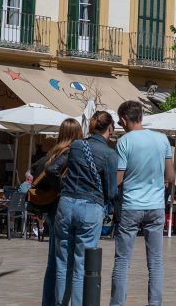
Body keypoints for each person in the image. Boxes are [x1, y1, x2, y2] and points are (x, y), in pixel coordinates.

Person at [50, 111, 117, 306]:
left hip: (66, 203)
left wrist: (64, 188)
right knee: (81, 263)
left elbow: (52, 169)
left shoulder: (77, 146)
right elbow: (112, 192)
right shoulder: (110, 154)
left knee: (62, 262)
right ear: (110, 128)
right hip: (90, 208)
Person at [110, 100, 173, 306]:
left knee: (123, 261)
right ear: (141, 117)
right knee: (155, 262)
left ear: (123, 120)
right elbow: (171, 176)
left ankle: (117, 303)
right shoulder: (162, 139)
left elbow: (118, 179)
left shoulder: (124, 142)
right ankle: (155, 303)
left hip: (131, 205)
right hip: (156, 206)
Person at [32, 118, 82, 306]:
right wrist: (63, 188)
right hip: (61, 206)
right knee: (59, 261)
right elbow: (53, 172)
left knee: (53, 260)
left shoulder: (53, 152)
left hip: (51, 207)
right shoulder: (69, 152)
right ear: (77, 133)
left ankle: (49, 301)